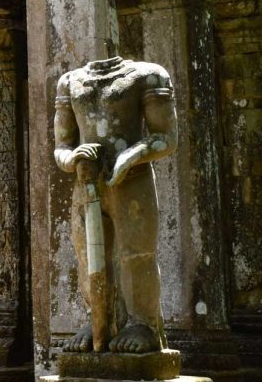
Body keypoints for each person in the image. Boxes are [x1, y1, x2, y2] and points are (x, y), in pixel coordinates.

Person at [54, 56, 177, 354]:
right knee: (88, 256)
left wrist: (131, 156)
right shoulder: (70, 82)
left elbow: (167, 138)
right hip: (87, 181)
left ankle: (142, 324)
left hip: (131, 182)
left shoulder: (147, 75)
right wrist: (73, 158)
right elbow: (61, 146)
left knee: (137, 253)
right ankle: (96, 319)